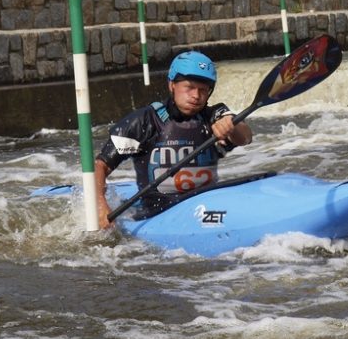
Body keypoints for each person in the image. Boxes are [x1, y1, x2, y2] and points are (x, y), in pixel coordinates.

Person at [94, 51, 253, 229]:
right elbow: (101, 166)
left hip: (204, 205)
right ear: (172, 85)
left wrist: (231, 125)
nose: (196, 95)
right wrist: (100, 206)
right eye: (189, 87)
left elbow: (245, 137)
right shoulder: (145, 121)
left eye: (203, 90)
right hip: (158, 213)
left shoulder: (214, 115)